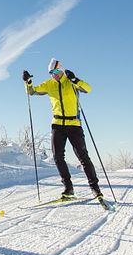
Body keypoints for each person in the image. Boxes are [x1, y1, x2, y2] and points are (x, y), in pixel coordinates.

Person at [23, 58, 102, 199]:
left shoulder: (71, 82)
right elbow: (31, 91)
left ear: (61, 70)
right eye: (51, 73)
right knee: (58, 157)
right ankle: (68, 188)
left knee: (83, 157)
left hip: (74, 124)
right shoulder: (49, 84)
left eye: (56, 71)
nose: (54, 74)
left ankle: (95, 188)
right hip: (57, 124)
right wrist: (28, 82)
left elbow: (88, 89)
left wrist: (76, 80)